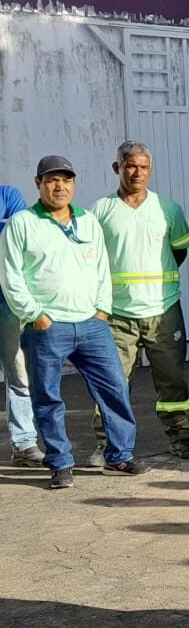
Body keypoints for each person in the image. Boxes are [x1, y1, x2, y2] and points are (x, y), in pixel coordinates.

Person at [0, 155, 147, 489]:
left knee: (114, 389)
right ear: (38, 184)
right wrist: (36, 315)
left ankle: (119, 456)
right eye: (52, 180)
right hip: (48, 328)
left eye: (66, 180)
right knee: (48, 398)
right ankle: (60, 463)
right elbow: (10, 276)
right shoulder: (22, 223)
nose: (60, 186)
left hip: (92, 325)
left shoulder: (88, 220)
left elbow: (102, 269)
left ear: (73, 184)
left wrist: (102, 309)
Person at [89, 141, 189, 463]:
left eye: (144, 167)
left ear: (151, 170)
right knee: (112, 383)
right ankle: (107, 444)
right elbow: (91, 260)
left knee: (172, 381)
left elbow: (179, 252)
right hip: (116, 314)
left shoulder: (167, 209)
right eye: (130, 166)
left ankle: (180, 438)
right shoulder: (100, 211)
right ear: (117, 168)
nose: (137, 173)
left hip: (163, 311)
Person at [0, 182, 43, 467]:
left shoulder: (8, 195)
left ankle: (24, 443)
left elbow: (17, 238)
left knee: (18, 374)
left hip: (7, 302)